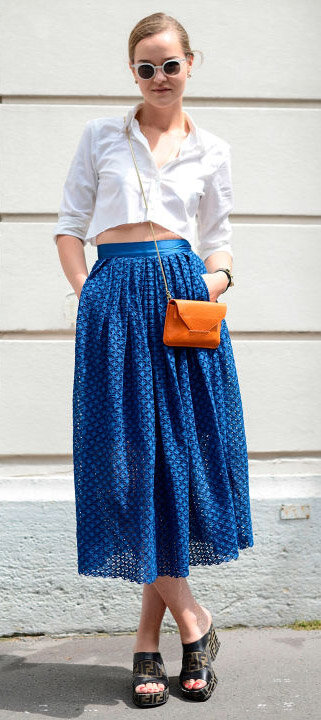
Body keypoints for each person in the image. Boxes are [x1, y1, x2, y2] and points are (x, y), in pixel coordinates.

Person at [53, 11, 254, 708]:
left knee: (172, 465)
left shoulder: (213, 149)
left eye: (170, 64)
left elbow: (219, 238)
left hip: (179, 304)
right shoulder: (100, 137)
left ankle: (147, 644)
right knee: (130, 464)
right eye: (146, 66)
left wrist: (215, 281)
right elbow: (68, 225)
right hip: (114, 304)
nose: (159, 77)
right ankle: (192, 623)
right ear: (131, 72)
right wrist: (90, 296)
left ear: (190, 65)